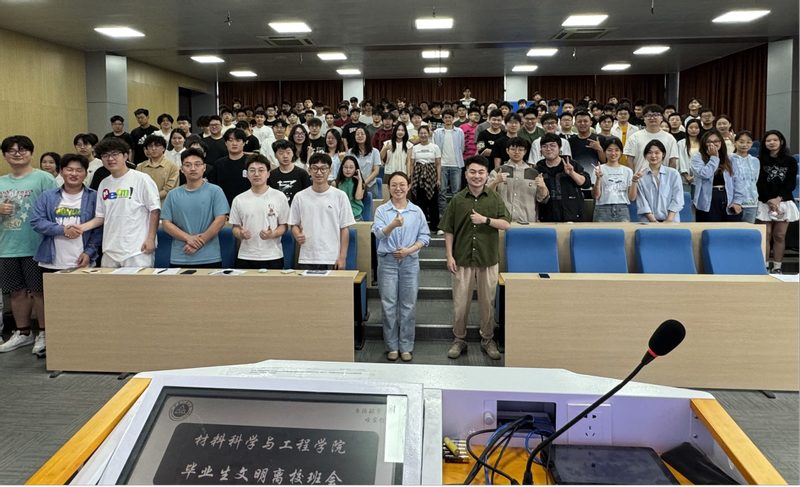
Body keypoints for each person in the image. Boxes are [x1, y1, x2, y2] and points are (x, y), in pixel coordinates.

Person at [440, 156, 511, 360]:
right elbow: (449, 230)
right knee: (460, 303)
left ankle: (487, 339)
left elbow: (506, 224)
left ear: (487, 175)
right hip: (462, 257)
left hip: (488, 258)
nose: (477, 176)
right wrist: (449, 256)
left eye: (481, 172)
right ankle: (459, 339)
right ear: (466, 174)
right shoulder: (458, 199)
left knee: (487, 302)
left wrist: (485, 220)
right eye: (472, 172)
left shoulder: (494, 198)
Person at [0, 135, 58, 352]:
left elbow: (55, 210)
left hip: (36, 245)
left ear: (31, 153)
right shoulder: (1, 182)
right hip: (7, 246)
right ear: (4, 155)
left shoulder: (44, 178)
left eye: (22, 149)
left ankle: (44, 333)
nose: (17, 153)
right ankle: (23, 333)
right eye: (12, 150)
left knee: (39, 291)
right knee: (16, 292)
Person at [372, 171, 430, 361]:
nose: (398, 188)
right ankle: (392, 346)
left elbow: (425, 237)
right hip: (387, 261)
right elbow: (378, 234)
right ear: (389, 188)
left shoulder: (416, 211)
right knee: (388, 305)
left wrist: (410, 250)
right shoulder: (382, 210)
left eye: (402, 184)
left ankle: (406, 345)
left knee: (408, 305)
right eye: (394, 185)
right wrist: (393, 225)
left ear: (409, 186)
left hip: (409, 262)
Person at [77, 137, 161, 267]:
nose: (110, 159)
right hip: (110, 249)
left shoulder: (142, 179)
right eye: (105, 155)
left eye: (115, 154)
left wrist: (151, 239)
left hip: (137, 249)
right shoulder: (104, 183)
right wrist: (81, 228)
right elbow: (100, 217)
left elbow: (154, 210)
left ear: (126, 155)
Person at [31, 153, 102, 302]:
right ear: (61, 172)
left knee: (84, 301)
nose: (74, 173)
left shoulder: (94, 197)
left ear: (85, 173)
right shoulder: (47, 196)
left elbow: (99, 228)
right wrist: (62, 230)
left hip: (83, 261)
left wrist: (89, 253)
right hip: (51, 261)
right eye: (69, 169)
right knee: (55, 303)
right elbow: (37, 222)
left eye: (79, 170)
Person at [160, 149, 229, 268]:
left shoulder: (215, 191)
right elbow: (166, 223)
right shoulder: (173, 194)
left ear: (204, 167)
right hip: (180, 256)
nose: (193, 168)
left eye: (197, 164)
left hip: (209, 256)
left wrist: (198, 243)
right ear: (182, 169)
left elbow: (220, 220)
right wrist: (188, 238)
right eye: (188, 165)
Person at [289, 153, 355, 270]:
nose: (319, 172)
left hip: (332, 257)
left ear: (330, 170)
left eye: (323, 168)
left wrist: (342, 257)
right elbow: (293, 224)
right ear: (309, 171)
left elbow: (345, 228)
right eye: (315, 168)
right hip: (307, 257)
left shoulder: (340, 196)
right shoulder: (300, 197)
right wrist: (297, 234)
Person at [228, 154, 290, 269]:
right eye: (252, 170)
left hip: (272, 255)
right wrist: (240, 234)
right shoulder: (239, 199)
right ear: (247, 174)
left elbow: (284, 225)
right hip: (246, 256)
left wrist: (273, 234)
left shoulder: (279, 197)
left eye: (261, 170)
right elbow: (235, 227)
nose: (256, 174)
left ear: (268, 174)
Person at [756, 130, 799, 274]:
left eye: (775, 140)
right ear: (764, 143)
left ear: (781, 142)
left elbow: (791, 183)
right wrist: (769, 201)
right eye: (768, 140)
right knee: (766, 235)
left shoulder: (790, 161)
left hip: (783, 201)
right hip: (764, 201)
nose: (772, 143)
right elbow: (759, 182)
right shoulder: (759, 160)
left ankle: (777, 267)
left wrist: (778, 199)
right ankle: (764, 266)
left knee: (779, 236)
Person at [487, 137, 548, 223]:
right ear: (507, 150)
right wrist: (495, 182)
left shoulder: (533, 173)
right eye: (513, 149)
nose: (516, 152)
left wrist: (543, 187)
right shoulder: (498, 171)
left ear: (525, 152)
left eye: (520, 150)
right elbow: (487, 194)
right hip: (502, 221)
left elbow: (542, 198)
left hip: (527, 220)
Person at [534, 134, 592, 222]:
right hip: (547, 216)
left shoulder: (571, 164)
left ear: (560, 148)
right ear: (541, 150)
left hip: (573, 215)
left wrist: (572, 173)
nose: (548, 149)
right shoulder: (538, 169)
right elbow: (536, 197)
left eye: (552, 145)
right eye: (544, 146)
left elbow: (586, 184)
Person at [692, 129, 744, 223]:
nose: (713, 144)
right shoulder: (698, 158)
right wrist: (714, 158)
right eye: (708, 141)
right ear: (704, 143)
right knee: (710, 227)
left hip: (727, 196)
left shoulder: (730, 159)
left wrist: (737, 201)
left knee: (729, 228)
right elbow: (705, 174)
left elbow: (738, 181)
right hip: (709, 197)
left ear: (721, 142)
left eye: (716, 141)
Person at [591, 137, 641, 222]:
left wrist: (635, 181)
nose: (613, 153)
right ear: (604, 152)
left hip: (622, 209)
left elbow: (632, 198)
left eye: (617, 150)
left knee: (624, 230)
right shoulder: (598, 169)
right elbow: (596, 196)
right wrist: (598, 179)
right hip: (602, 209)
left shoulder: (627, 171)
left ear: (621, 152)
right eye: (609, 150)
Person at [635, 140, 684, 223]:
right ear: (645, 155)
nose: (653, 156)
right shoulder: (640, 175)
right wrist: (653, 221)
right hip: (648, 221)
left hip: (671, 220)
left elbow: (677, 198)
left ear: (663, 154)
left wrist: (669, 220)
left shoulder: (673, 173)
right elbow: (641, 200)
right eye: (649, 152)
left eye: (657, 152)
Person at [623, 104, 679, 172]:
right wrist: (632, 177)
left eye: (656, 115)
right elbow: (630, 160)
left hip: (663, 177)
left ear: (662, 118)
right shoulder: (634, 137)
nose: (652, 118)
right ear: (644, 119)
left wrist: (670, 177)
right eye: (648, 115)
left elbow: (672, 161)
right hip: (640, 176)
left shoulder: (670, 138)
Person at [433, 109, 466, 217]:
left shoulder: (459, 132)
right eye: (446, 117)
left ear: (453, 118)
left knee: (456, 192)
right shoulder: (437, 132)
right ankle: (442, 215)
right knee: (442, 191)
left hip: (456, 164)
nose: (448, 119)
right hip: (442, 165)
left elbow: (461, 147)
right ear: (442, 119)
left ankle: (455, 214)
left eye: (450, 117)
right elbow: (435, 148)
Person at [207, 128, 251, 207]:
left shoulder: (251, 163)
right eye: (230, 140)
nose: (234, 143)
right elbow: (213, 188)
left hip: (248, 205)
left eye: (238, 140)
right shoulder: (219, 164)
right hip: (224, 206)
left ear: (244, 143)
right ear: (226, 143)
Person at [410, 126, 442, 233]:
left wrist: (438, 178)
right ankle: (421, 228)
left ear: (429, 134)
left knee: (433, 202)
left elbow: (438, 164)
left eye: (425, 133)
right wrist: (411, 178)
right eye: (421, 133)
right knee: (420, 202)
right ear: (418, 134)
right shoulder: (415, 148)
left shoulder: (435, 147)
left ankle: (436, 227)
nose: (423, 135)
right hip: (418, 175)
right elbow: (412, 164)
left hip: (431, 175)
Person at [136, 134, 179, 204]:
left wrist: (152, 199)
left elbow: (169, 189)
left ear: (164, 148)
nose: (153, 148)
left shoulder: (173, 167)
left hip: (165, 205)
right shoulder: (140, 167)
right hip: (144, 205)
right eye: (150, 146)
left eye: (157, 145)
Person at [267, 139, 312, 204]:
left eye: (288, 152)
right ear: (275, 155)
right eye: (281, 153)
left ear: (293, 153)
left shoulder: (302, 174)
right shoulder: (271, 175)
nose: (285, 156)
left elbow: (308, 195)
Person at [730, 131, 761, 224]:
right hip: (734, 202)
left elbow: (755, 180)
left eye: (748, 142)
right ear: (735, 142)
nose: (745, 145)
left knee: (749, 230)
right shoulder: (729, 159)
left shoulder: (755, 161)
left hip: (752, 202)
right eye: (741, 142)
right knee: (733, 229)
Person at [569, 110, 606, 185]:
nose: (582, 123)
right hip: (577, 178)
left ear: (591, 123)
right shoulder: (570, 141)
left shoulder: (600, 139)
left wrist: (599, 149)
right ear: (575, 124)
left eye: (585, 121)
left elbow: (605, 162)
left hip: (597, 178)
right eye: (579, 121)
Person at [347, 127, 381, 198]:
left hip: (370, 186)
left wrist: (364, 183)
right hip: (354, 185)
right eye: (357, 134)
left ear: (367, 136)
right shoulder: (350, 152)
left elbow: (376, 171)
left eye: (362, 134)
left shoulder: (375, 152)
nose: (360, 136)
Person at [332, 155, 366, 221]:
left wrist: (360, 180)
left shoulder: (360, 183)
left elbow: (358, 197)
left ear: (356, 169)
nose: (348, 170)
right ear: (342, 168)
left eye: (351, 167)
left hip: (355, 215)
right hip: (340, 215)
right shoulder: (335, 183)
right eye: (346, 167)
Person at [676, 118, 701, 194]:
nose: (693, 130)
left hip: (700, 175)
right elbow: (680, 160)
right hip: (685, 175)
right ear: (686, 129)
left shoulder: (703, 142)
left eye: (696, 128)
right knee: (686, 197)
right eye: (691, 127)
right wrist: (686, 175)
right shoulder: (681, 143)